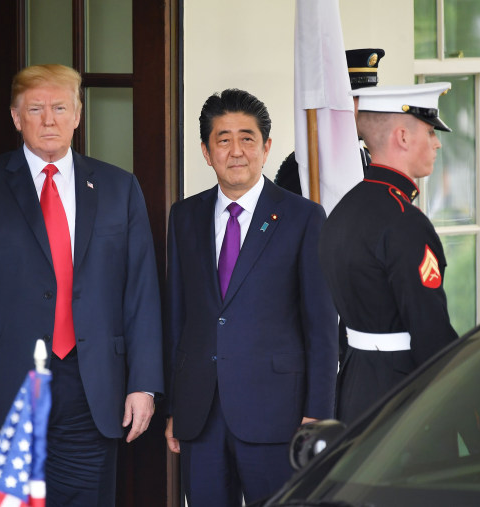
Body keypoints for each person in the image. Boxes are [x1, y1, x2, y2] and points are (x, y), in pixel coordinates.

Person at [0, 64, 163, 506]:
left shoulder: (119, 188)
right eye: (35, 109)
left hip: (92, 387)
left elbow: (141, 294)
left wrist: (144, 384)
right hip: (0, 392)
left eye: (60, 107)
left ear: (78, 114)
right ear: (16, 117)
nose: (49, 119)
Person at [164, 88, 338, 505]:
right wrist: (174, 406)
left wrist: (317, 413)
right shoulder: (184, 216)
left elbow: (320, 325)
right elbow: (177, 317)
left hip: (278, 416)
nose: (236, 151)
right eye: (223, 139)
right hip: (200, 414)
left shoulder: (302, 217)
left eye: (247, 138)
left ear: (266, 148)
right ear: (207, 152)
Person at [319, 82, 459, 425]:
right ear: (403, 136)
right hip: (403, 398)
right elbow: (431, 334)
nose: (437, 142)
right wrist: (476, 425)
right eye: (430, 131)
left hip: (353, 390)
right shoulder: (405, 222)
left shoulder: (343, 211)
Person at [275, 48, 385, 194]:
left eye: (371, 99)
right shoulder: (306, 162)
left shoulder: (367, 156)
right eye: (360, 98)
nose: (371, 108)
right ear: (339, 104)